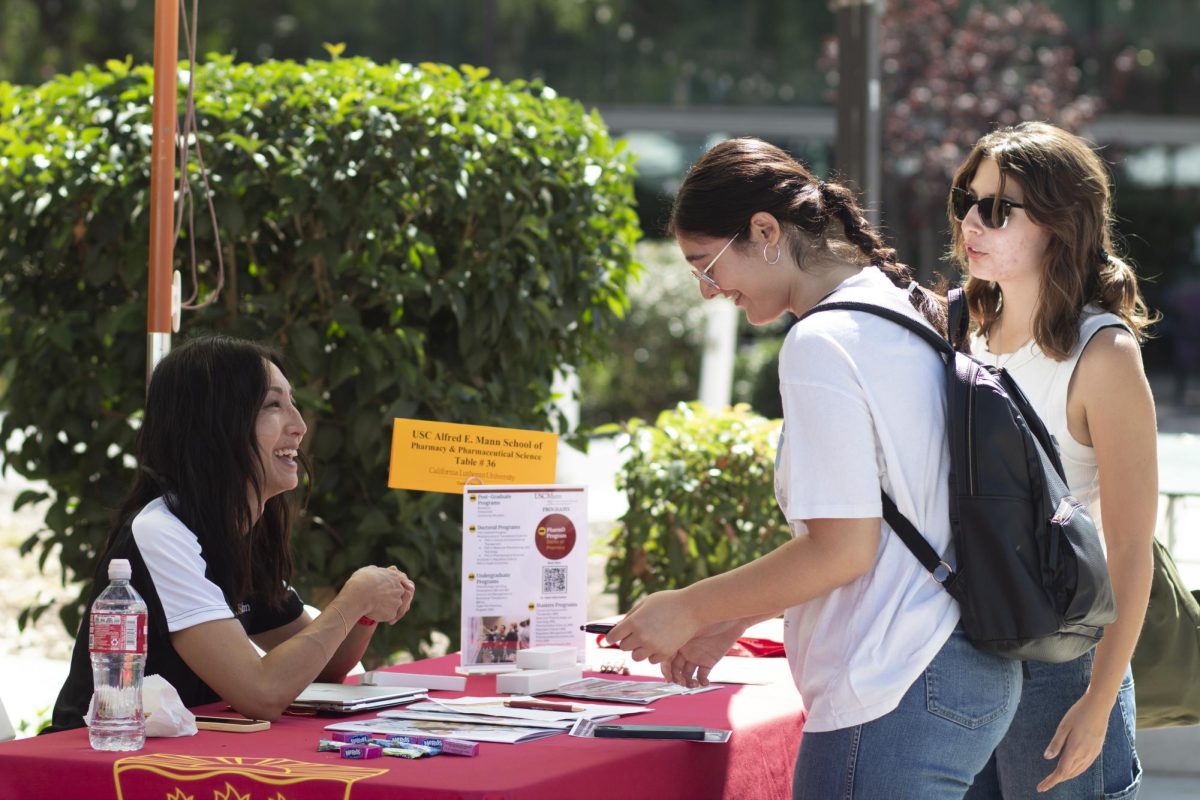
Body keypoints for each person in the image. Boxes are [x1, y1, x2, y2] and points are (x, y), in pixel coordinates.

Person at [606, 137, 1023, 800]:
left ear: (765, 232)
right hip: (960, 665)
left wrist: (688, 606)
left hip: (891, 682)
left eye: (706, 265)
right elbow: (882, 525)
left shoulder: (820, 343)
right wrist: (731, 619)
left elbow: (843, 550)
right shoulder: (899, 303)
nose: (710, 291)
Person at [46, 335, 415, 731]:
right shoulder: (161, 530)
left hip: (187, 758)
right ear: (215, 424)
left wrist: (364, 610)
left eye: (293, 403)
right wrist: (353, 598)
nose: (300, 426)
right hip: (101, 761)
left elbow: (321, 668)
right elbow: (262, 693)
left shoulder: (237, 527)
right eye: (274, 405)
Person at [949, 122, 1155, 799]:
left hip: (1064, 664)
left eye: (997, 208)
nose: (972, 222)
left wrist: (1098, 702)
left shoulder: (1103, 355)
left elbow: (1128, 545)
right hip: (959, 656)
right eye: (966, 200)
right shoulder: (959, 332)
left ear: (1061, 223)